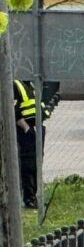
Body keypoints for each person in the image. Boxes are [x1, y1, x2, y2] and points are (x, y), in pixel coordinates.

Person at [14, 79, 45, 209]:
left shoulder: (31, 83)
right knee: (27, 165)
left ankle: (36, 196)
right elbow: (14, 112)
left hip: (36, 129)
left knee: (37, 163)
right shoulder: (15, 84)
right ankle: (29, 198)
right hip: (25, 131)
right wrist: (26, 129)